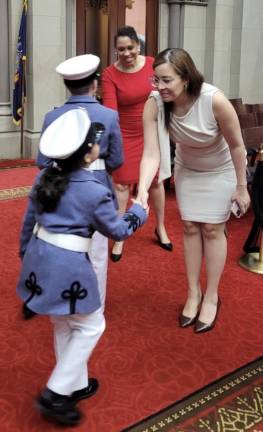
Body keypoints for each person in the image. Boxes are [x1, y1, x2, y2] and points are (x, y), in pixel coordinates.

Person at [17, 109, 147, 426]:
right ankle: (55, 392)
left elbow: (28, 223)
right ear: (88, 152)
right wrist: (139, 212)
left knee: (63, 323)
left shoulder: (43, 176)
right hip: (67, 267)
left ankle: (74, 384)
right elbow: (116, 231)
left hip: (39, 258)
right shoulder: (93, 189)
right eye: (95, 143)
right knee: (91, 325)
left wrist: (26, 256)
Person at [137, 48, 250, 333]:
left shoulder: (214, 100)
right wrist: (141, 192)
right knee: (189, 226)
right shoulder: (154, 104)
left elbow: (237, 146)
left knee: (212, 229)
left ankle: (211, 295)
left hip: (220, 170)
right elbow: (151, 154)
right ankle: (192, 292)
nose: (159, 87)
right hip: (187, 168)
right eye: (155, 80)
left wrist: (241, 186)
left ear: (185, 78)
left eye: (166, 81)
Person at [22, 54, 123, 321]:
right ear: (95, 84)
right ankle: (95, 309)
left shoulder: (52, 116)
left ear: (67, 85)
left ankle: (53, 299)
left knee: (54, 243)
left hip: (57, 189)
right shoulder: (109, 116)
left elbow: (43, 161)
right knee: (98, 253)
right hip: (96, 187)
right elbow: (116, 160)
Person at [101, 25, 172, 262]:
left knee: (155, 183)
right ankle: (120, 235)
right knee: (121, 186)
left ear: (138, 46)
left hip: (150, 131)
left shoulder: (153, 64)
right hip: (123, 135)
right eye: (121, 49)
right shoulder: (110, 74)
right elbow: (110, 110)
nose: (126, 53)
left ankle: (160, 227)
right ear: (116, 50)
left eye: (130, 47)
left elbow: (166, 92)